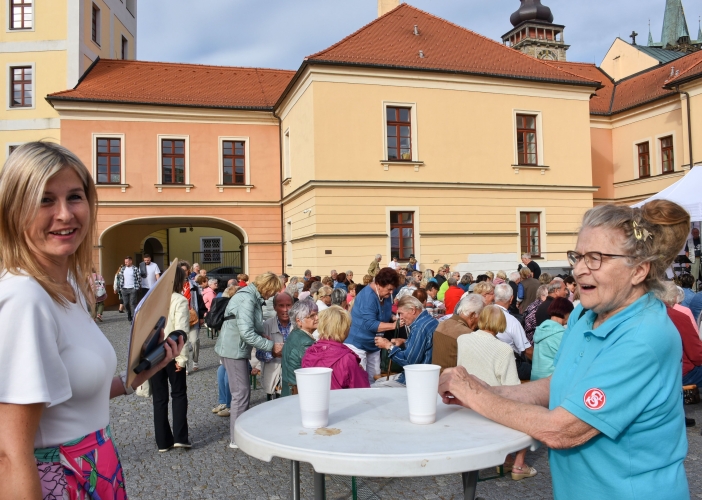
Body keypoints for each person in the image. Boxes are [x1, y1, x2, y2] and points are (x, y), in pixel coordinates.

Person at [439, 200, 691, 498]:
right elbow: (560, 384)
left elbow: (562, 429)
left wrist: (475, 395)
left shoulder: (644, 336)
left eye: (596, 258)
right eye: (579, 256)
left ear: (638, 271)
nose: (579, 269)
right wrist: (484, 390)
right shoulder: (586, 316)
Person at [0, 142, 183, 498]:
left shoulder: (65, 285)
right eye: (45, 200)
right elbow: (10, 453)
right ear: (13, 211)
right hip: (57, 480)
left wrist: (134, 378)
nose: (66, 214)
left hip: (96, 469)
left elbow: (68, 399)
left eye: (75, 196)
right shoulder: (25, 297)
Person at [456, 305, 534, 480]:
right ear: (501, 323)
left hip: (467, 402)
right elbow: (511, 386)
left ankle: (506, 460)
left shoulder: (462, 340)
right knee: (531, 413)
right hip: (490, 405)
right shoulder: (503, 349)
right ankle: (518, 465)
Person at [215, 272, 283, 448]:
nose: (272, 295)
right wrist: (270, 345)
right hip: (234, 349)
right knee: (241, 393)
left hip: (234, 348)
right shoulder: (248, 298)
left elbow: (245, 325)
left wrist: (261, 335)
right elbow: (246, 332)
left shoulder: (250, 296)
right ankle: (236, 439)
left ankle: (238, 435)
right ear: (266, 287)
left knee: (241, 392)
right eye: (272, 291)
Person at [152, 265, 191, 451]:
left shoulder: (151, 300)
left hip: (153, 354)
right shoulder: (179, 300)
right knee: (178, 394)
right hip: (172, 352)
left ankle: (162, 441)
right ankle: (180, 437)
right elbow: (182, 330)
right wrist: (182, 359)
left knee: (159, 398)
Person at [345, 268, 399, 383]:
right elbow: (370, 324)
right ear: (379, 284)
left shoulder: (385, 295)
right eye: (389, 289)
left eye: (392, 290)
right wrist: (394, 325)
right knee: (361, 379)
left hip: (374, 343)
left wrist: (393, 317)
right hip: (358, 343)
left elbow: (384, 313)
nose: (391, 293)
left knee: (375, 379)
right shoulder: (368, 297)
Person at [374, 296, 438, 387]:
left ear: (412, 310)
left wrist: (388, 346)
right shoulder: (430, 320)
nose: (400, 318)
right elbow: (424, 345)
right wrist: (404, 341)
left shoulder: (419, 328)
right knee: (379, 382)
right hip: (425, 375)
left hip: (417, 380)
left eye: (401, 313)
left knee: (375, 387)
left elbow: (409, 363)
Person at [302, 306, 371, 390]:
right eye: (349, 326)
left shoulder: (309, 353)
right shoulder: (348, 359)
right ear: (344, 329)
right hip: (341, 401)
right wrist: (362, 373)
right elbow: (362, 390)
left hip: (315, 401)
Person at [432, 294, 484, 372]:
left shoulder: (441, 324)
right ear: (473, 315)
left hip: (438, 378)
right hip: (453, 380)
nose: (482, 320)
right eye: (481, 316)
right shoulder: (468, 334)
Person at [257, 292, 294, 400]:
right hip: (274, 376)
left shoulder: (298, 324)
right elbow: (259, 354)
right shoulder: (266, 326)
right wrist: (272, 352)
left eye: (288, 305)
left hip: (293, 376)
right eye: (281, 305)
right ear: (274, 307)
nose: (285, 309)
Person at [494, 283, 533, 380]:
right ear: (511, 299)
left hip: (488, 360)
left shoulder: (484, 314)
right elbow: (526, 350)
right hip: (509, 364)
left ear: (495, 297)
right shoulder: (512, 321)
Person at [281, 299, 319, 396]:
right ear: (299, 321)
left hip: (291, 391)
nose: (317, 318)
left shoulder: (295, 334)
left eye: (317, 314)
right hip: (298, 394)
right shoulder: (305, 343)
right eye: (312, 316)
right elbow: (315, 372)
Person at [531, 297, 574, 381]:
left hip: (535, 377)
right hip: (550, 379)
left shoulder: (540, 329)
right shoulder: (562, 335)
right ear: (566, 313)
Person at [211, 285, 238, 417]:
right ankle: (225, 403)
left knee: (225, 373)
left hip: (232, 348)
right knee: (223, 372)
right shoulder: (233, 310)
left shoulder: (228, 308)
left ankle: (227, 403)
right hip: (232, 349)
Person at [180, 260, 207, 374]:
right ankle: (185, 365)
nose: (183, 272)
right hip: (180, 318)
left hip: (193, 316)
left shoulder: (194, 285)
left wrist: (201, 316)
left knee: (194, 340)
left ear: (188, 271)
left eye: (185, 270)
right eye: (180, 270)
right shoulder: (174, 286)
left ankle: (195, 361)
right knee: (183, 343)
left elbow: (200, 301)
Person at [116, 255, 140, 322]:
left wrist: (137, 287)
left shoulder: (135, 269)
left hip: (133, 288)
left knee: (132, 303)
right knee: (126, 303)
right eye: (125, 262)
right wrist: (119, 287)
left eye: (127, 262)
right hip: (124, 289)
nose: (125, 263)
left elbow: (139, 278)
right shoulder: (123, 269)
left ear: (131, 261)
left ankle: (133, 316)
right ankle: (129, 313)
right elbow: (120, 278)